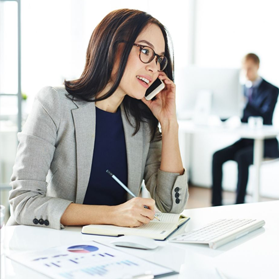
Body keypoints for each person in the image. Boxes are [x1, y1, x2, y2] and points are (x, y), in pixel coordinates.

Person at [8, 9, 189, 230]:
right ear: (112, 47)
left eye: (160, 58)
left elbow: (170, 206)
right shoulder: (53, 104)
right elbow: (23, 202)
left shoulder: (143, 122)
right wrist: (111, 214)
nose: (154, 67)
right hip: (56, 245)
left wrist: (169, 123)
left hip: (117, 248)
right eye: (145, 50)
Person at [212, 53, 279, 206]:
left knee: (241, 157)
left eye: (249, 69)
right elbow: (225, 117)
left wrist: (244, 103)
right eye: (244, 69)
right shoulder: (240, 89)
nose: (246, 73)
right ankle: (215, 204)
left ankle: (239, 204)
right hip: (246, 141)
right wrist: (221, 101)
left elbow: (265, 116)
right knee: (217, 156)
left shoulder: (271, 90)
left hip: (266, 143)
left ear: (257, 67)